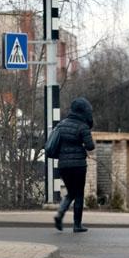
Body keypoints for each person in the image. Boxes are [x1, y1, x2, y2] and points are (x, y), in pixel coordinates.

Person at [53, 97, 96, 233]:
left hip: (63, 165)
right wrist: (82, 146)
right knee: (78, 194)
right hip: (78, 165)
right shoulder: (82, 126)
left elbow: (56, 143)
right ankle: (77, 225)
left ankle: (60, 213)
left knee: (71, 192)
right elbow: (90, 146)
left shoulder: (61, 125)